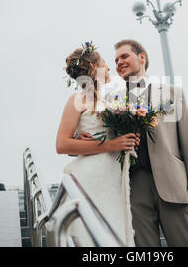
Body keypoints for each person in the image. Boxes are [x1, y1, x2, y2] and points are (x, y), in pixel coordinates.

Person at [79, 39, 188, 247]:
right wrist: (83, 139)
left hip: (173, 184)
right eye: (116, 59)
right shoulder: (111, 100)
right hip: (134, 187)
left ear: (141, 57)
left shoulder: (172, 93)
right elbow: (108, 139)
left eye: (124, 56)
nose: (119, 62)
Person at [54, 43, 138, 246]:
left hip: (113, 175)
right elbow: (62, 144)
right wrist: (112, 145)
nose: (109, 68)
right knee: (91, 235)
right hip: (90, 176)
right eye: (104, 63)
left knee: (114, 230)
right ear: (93, 67)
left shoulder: (112, 101)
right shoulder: (77, 100)